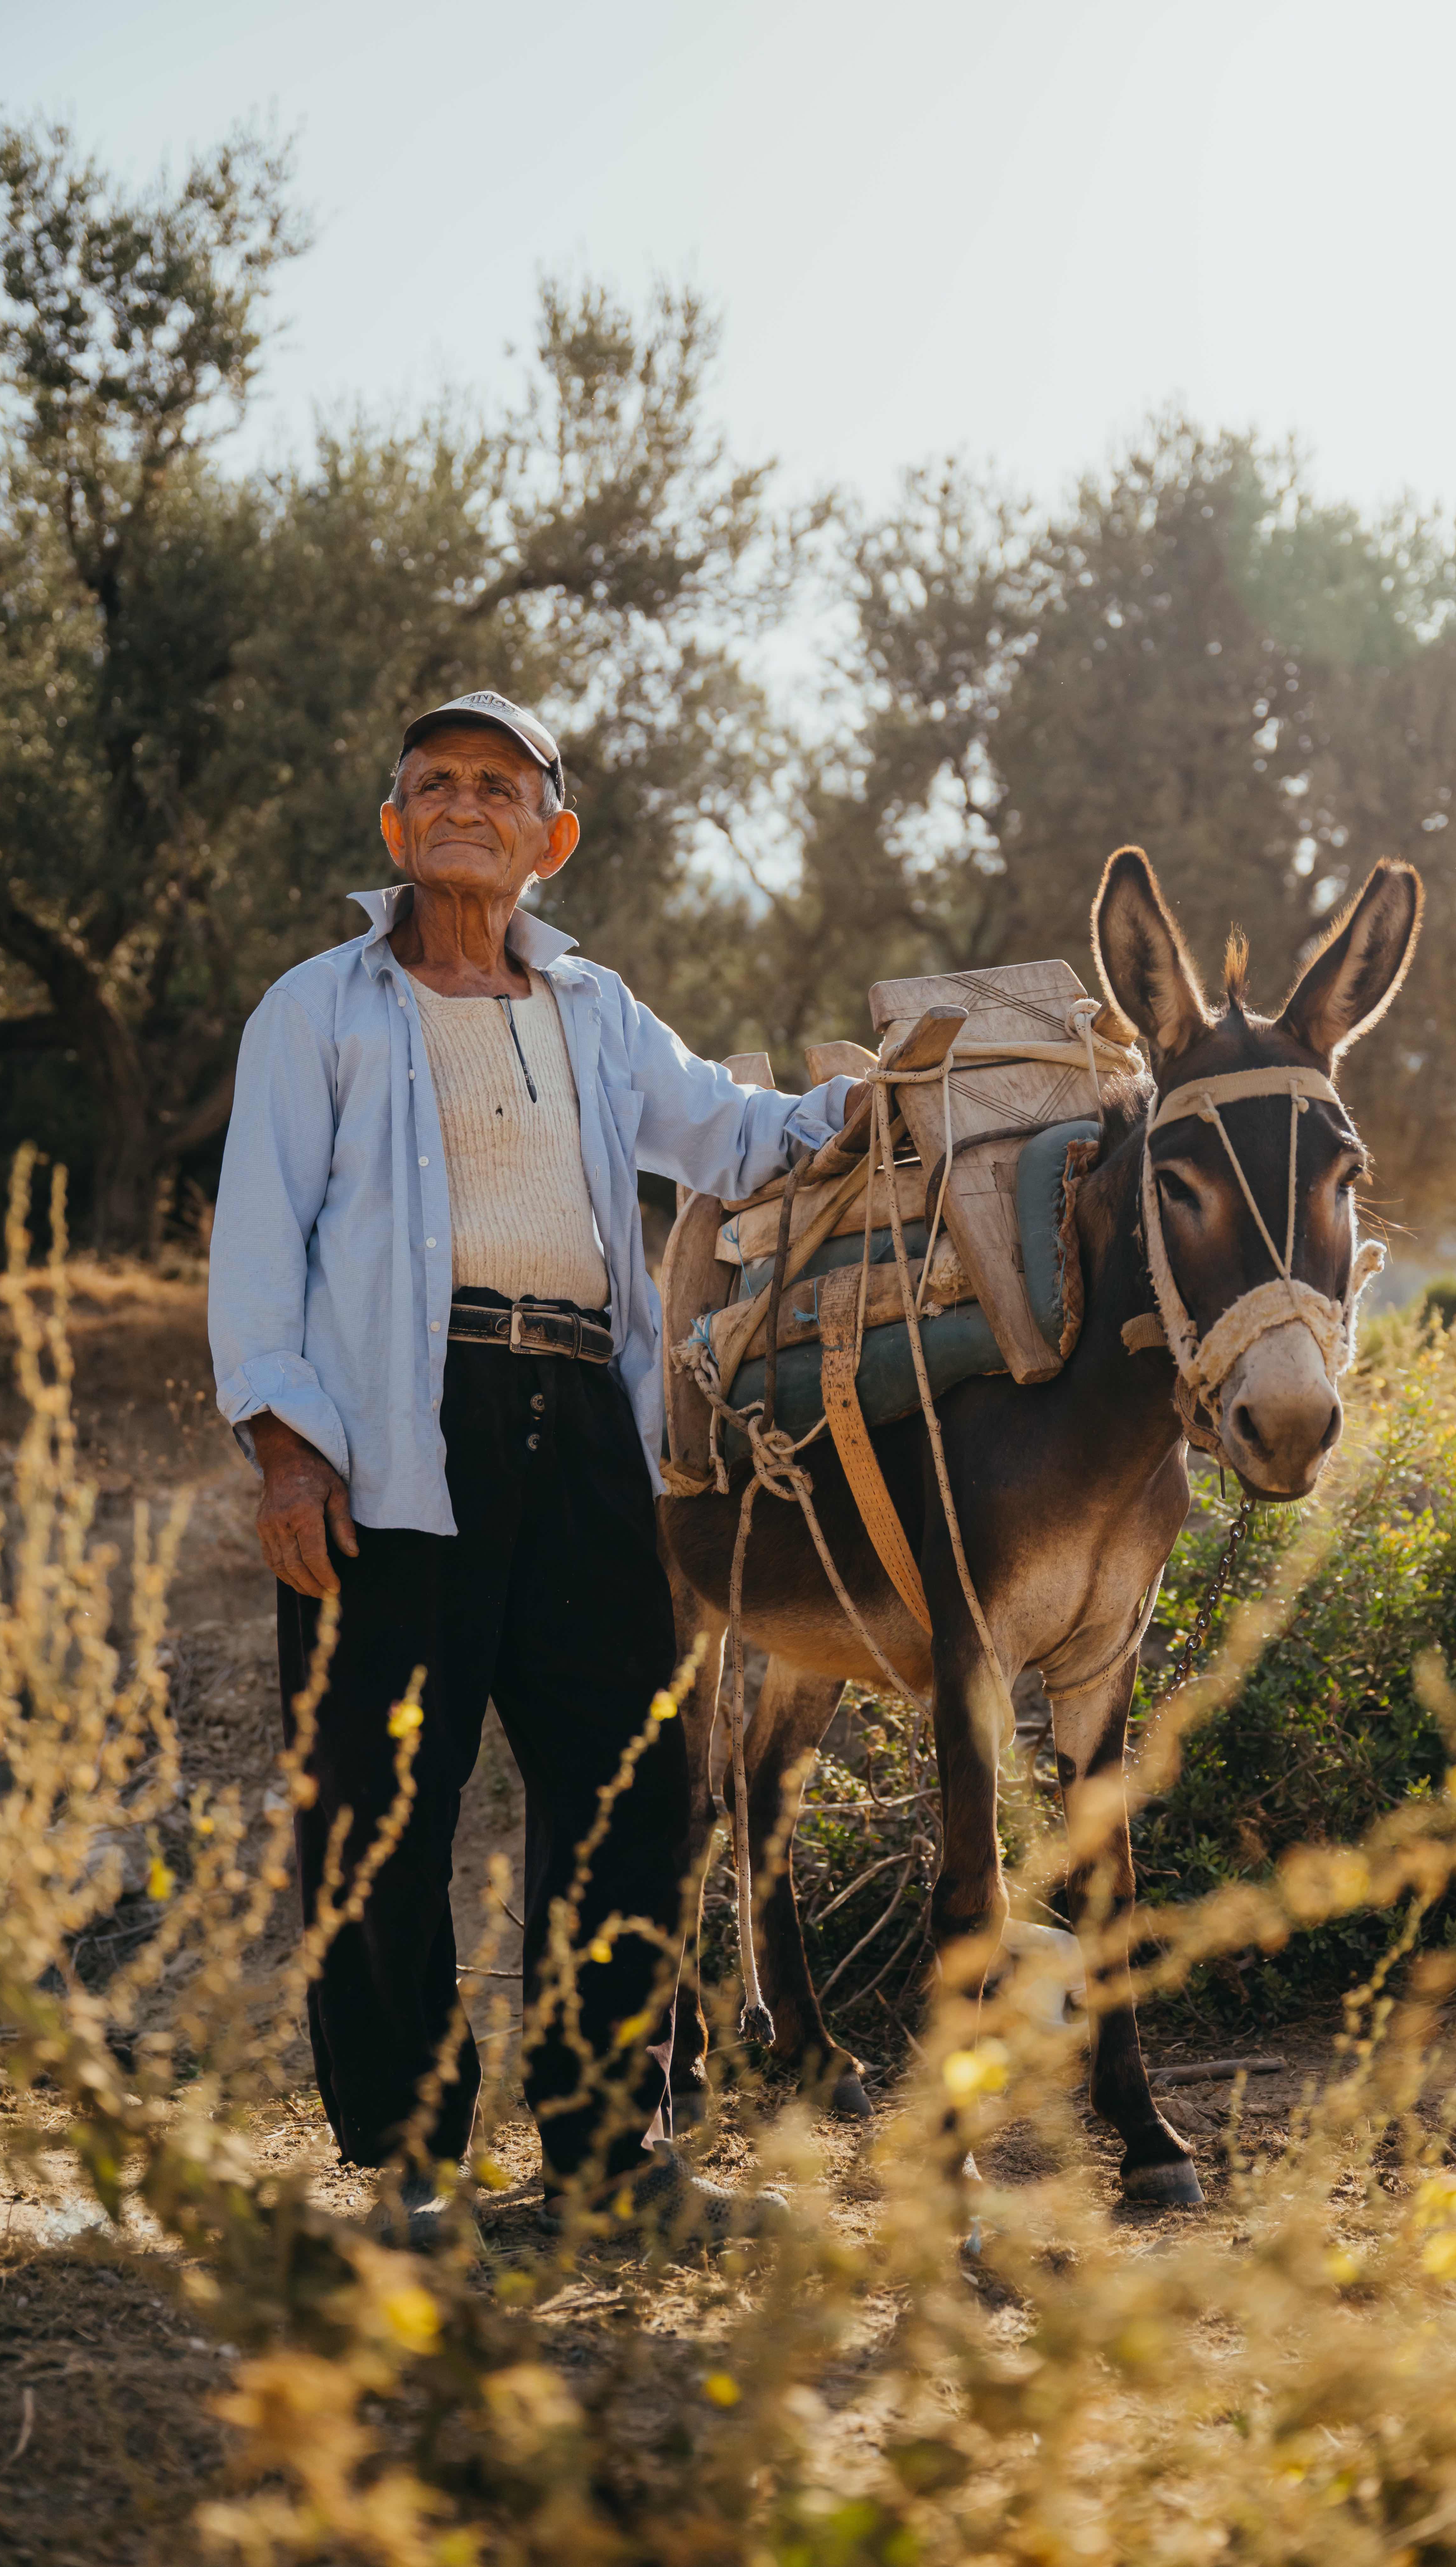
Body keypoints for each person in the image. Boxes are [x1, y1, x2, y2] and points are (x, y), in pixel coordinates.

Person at [209, 689, 865, 2240]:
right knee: (380, 1802)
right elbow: (258, 1241)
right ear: (393, 826)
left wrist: (878, 1105)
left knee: (630, 1788)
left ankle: (610, 2155)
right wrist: (288, 1449)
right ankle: (415, 2160)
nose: (463, 805)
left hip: (580, 1427)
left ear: (551, 838)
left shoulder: (596, 1010)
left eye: (498, 787)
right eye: (435, 783)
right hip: (392, 1430)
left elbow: (733, 1134)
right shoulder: (318, 1009)